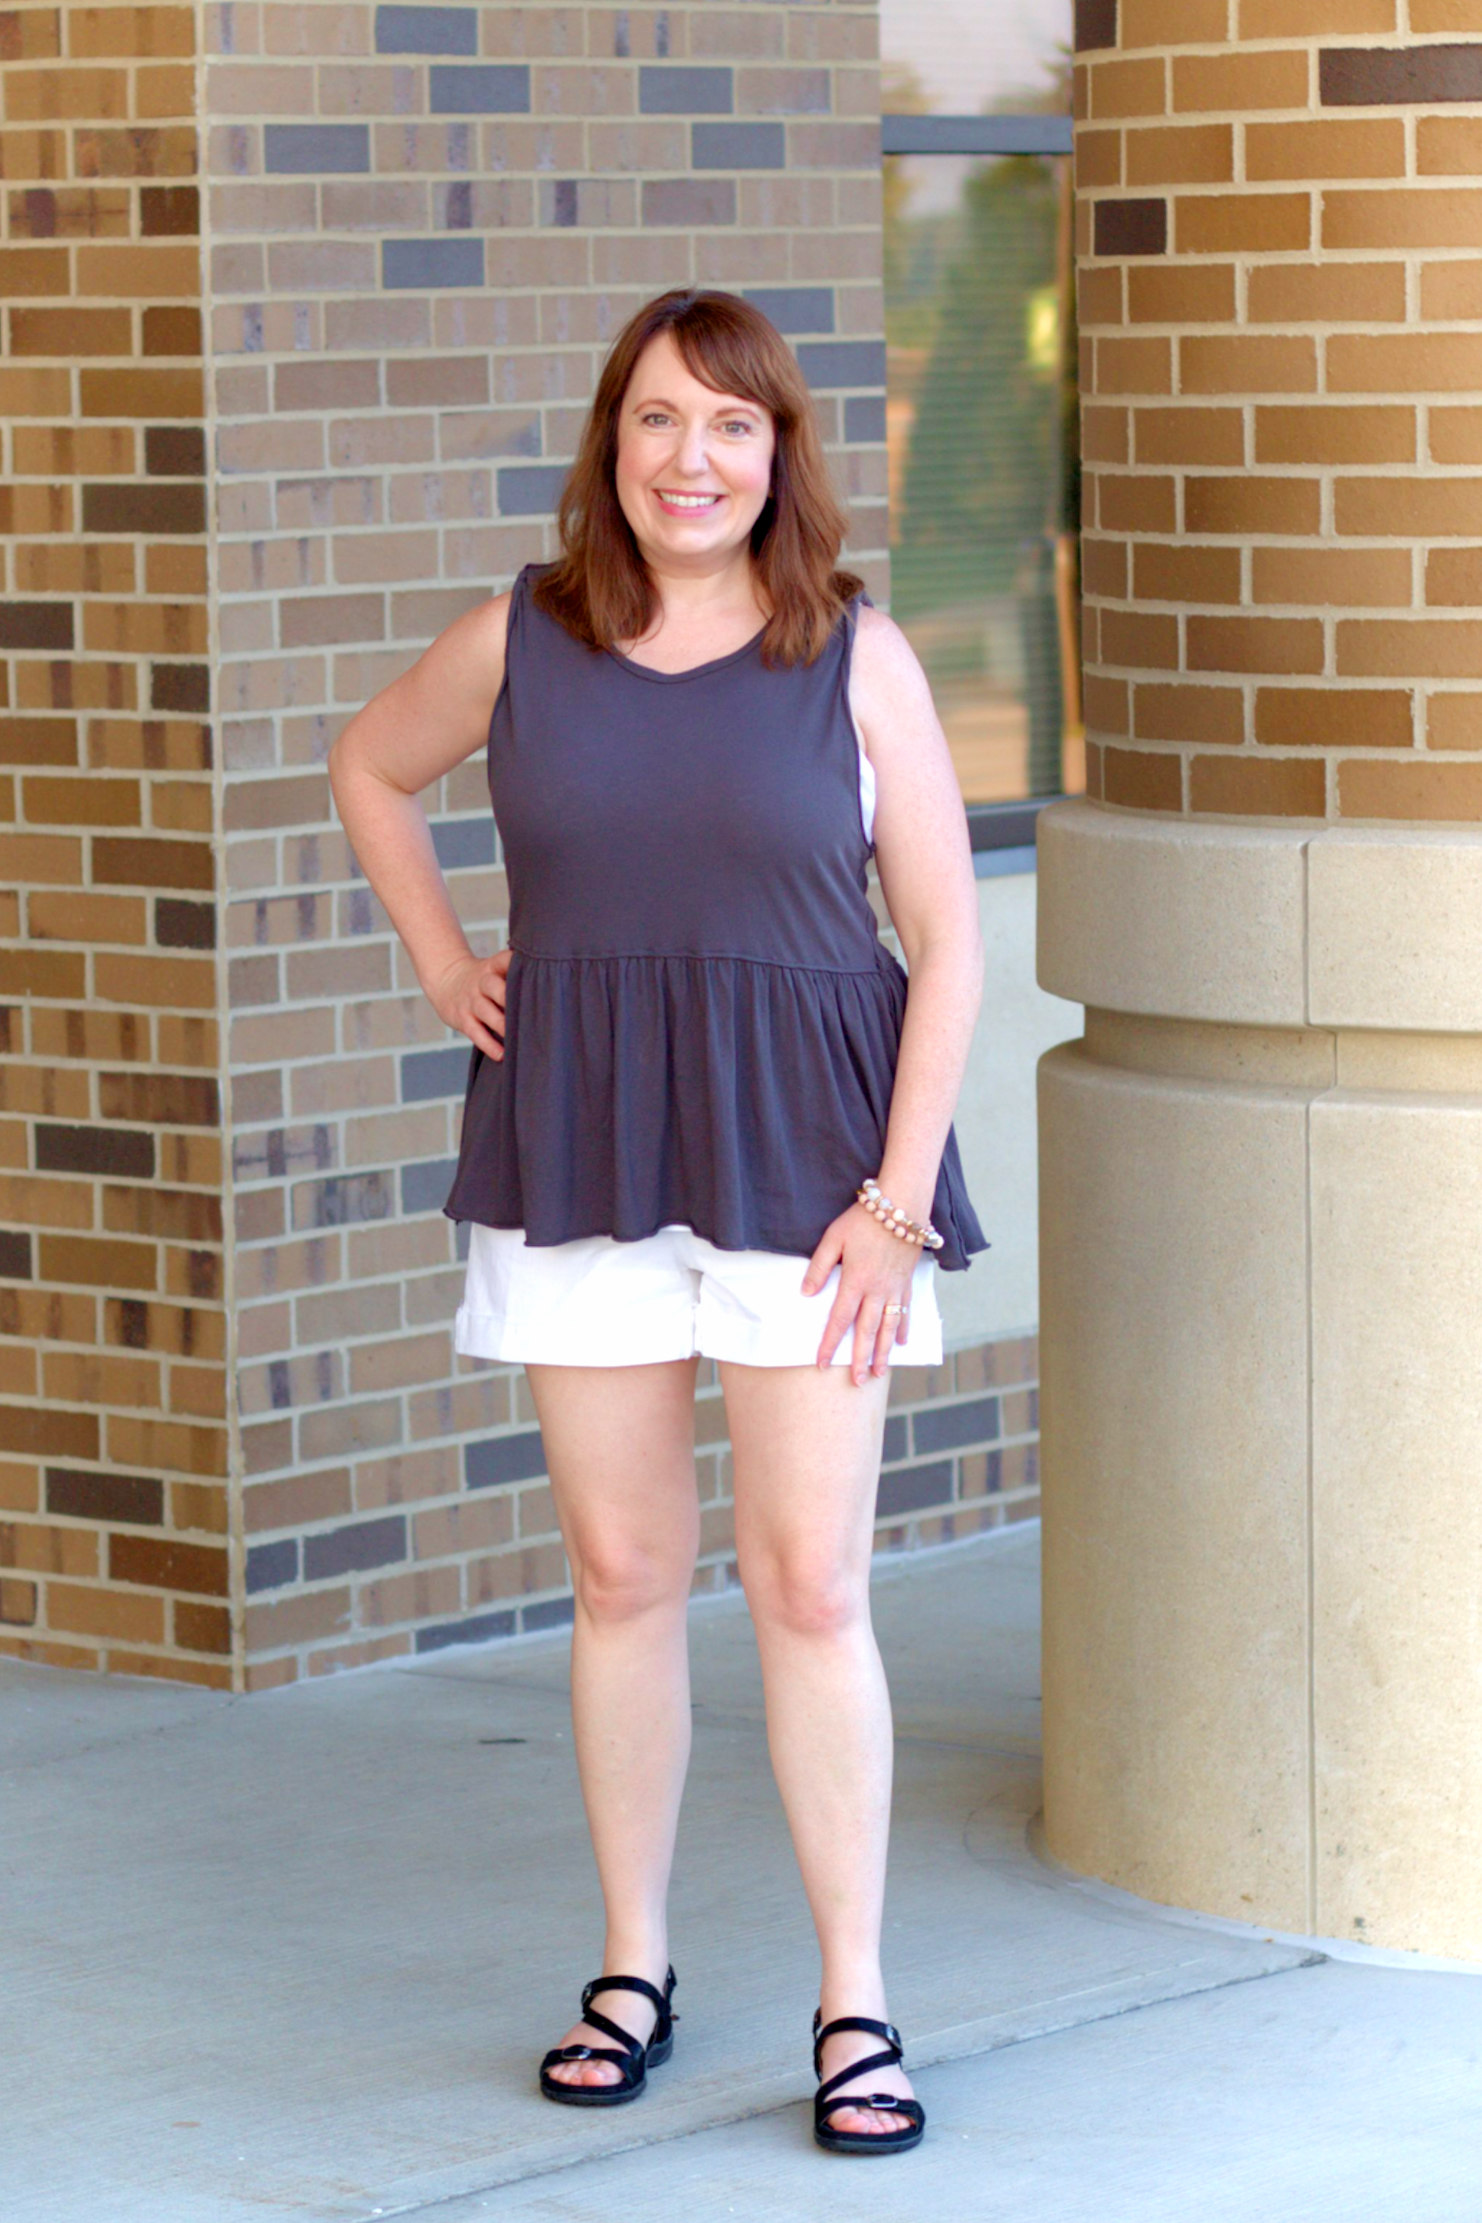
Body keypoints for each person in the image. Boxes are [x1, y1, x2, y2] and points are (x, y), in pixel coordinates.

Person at [328, 287, 988, 2157]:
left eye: (730, 427)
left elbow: (944, 937)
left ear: (779, 457)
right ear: (608, 445)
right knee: (621, 1578)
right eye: (656, 422)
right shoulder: (517, 639)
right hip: (583, 1144)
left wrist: (891, 1206)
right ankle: (633, 1966)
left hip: (813, 1172)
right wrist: (447, 960)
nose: (689, 460)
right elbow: (367, 768)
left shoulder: (852, 655)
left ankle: (854, 2002)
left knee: (809, 1585)